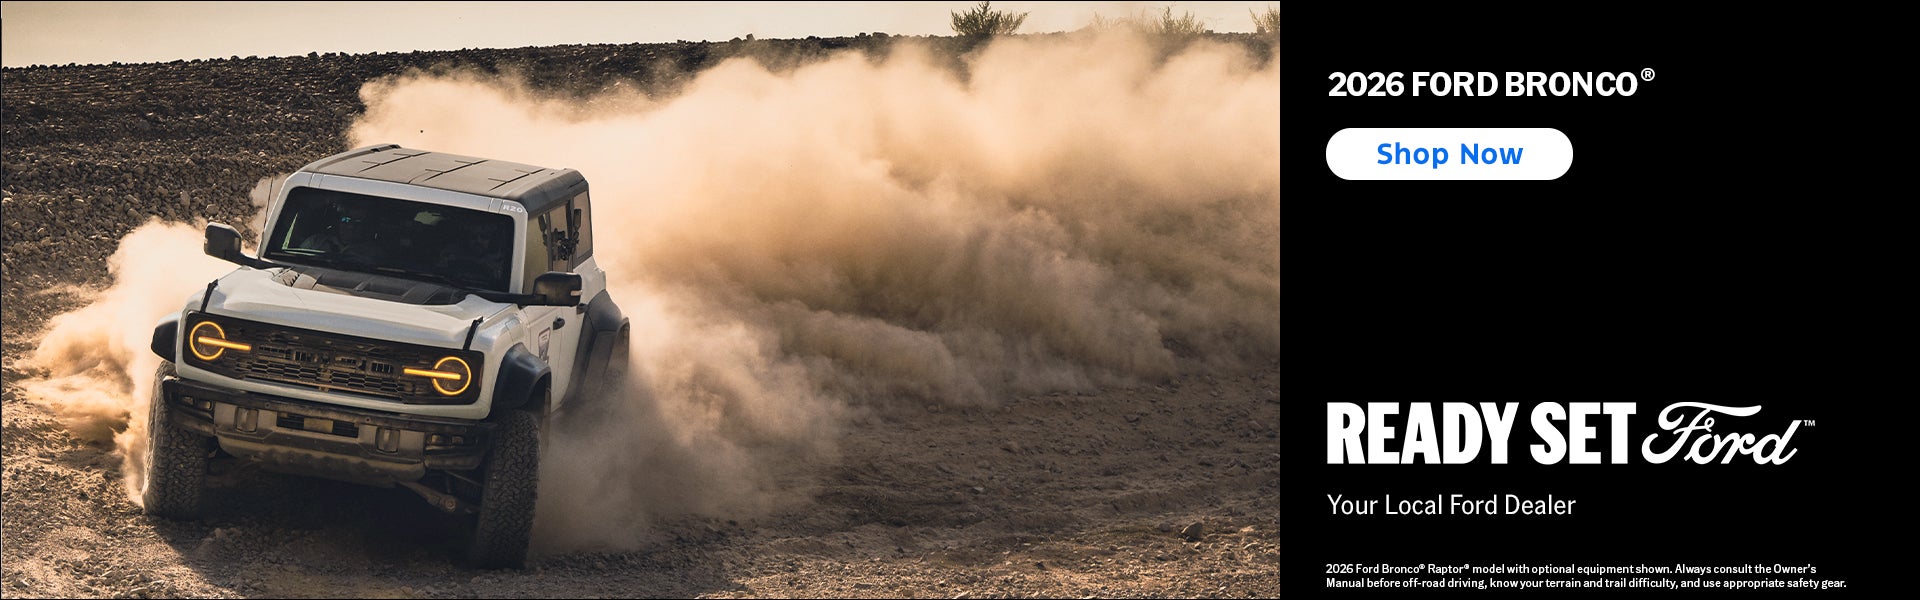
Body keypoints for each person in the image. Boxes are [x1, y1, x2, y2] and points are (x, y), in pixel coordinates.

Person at [299, 204, 387, 262]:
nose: (350, 226)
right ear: (337, 222)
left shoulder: (374, 253)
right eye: (346, 220)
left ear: (366, 226)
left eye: (357, 222)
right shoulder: (315, 242)